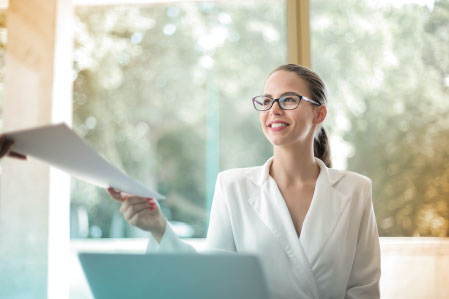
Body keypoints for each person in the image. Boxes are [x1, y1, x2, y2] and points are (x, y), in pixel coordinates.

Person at [108, 64, 381, 299]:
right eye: (266, 100)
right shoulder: (232, 187)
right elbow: (213, 283)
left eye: (288, 100)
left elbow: (363, 290)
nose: (274, 109)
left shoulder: (355, 190)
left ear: (318, 114)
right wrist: (159, 229)